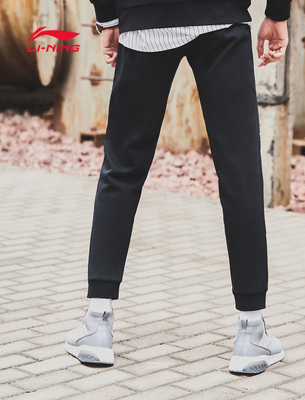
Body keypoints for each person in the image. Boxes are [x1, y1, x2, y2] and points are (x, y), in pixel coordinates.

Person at [65, 0, 291, 374]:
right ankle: (252, 332)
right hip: (221, 17)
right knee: (240, 173)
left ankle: (97, 323)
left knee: (122, 169)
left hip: (143, 20)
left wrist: (108, 17)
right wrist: (278, 12)